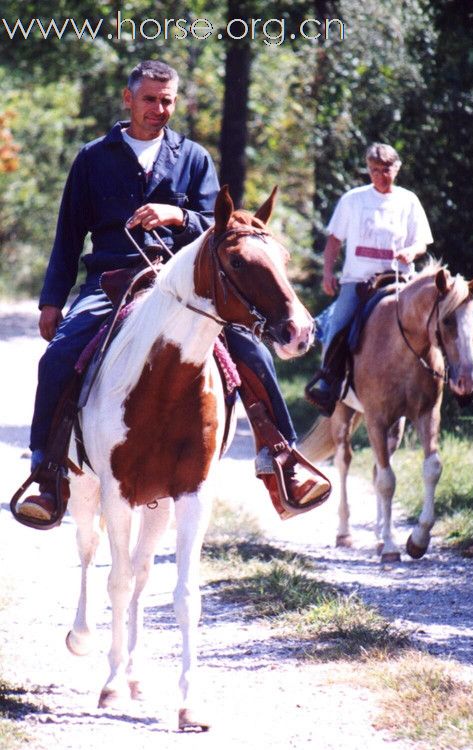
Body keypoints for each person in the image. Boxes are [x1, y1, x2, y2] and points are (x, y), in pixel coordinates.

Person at [18, 60, 329, 523]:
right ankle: (47, 473)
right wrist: (51, 301)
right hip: (113, 280)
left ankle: (282, 462)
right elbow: (68, 237)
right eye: (149, 99)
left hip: (187, 284)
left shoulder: (193, 158)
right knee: (59, 357)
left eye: (167, 101)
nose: (159, 109)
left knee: (253, 351)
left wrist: (178, 217)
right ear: (129, 99)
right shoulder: (93, 158)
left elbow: (219, 229)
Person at [307, 142, 433, 415]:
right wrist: (328, 274)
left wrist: (411, 250)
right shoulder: (353, 200)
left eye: (386, 169)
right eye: (374, 169)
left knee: (435, 321)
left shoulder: (408, 200)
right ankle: (328, 384)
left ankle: (443, 378)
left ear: (396, 168)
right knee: (339, 325)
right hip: (359, 280)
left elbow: (422, 241)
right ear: (368, 170)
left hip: (398, 280)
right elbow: (334, 241)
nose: (380, 175)